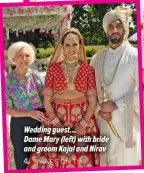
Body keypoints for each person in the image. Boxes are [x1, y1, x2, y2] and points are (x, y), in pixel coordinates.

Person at [27, 28, 100, 169]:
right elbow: (47, 102)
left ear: (80, 45)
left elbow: (92, 101)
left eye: (75, 44)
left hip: (82, 120)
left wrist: (83, 124)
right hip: (56, 120)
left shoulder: (87, 70)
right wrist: (58, 125)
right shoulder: (53, 69)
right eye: (67, 45)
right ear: (62, 47)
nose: (71, 48)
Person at [90, 6, 141, 166]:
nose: (115, 30)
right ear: (106, 30)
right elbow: (89, 90)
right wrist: (99, 110)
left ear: (125, 29)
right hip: (102, 122)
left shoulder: (135, 56)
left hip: (126, 122)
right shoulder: (97, 58)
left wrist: (117, 105)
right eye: (111, 26)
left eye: (119, 26)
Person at [6, 41, 46, 169]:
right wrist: (29, 113)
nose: (24, 59)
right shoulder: (8, 80)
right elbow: (7, 109)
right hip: (19, 124)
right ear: (13, 58)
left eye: (27, 55)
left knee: (40, 160)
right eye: (20, 55)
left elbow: (45, 98)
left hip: (39, 123)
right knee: (22, 162)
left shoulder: (36, 76)